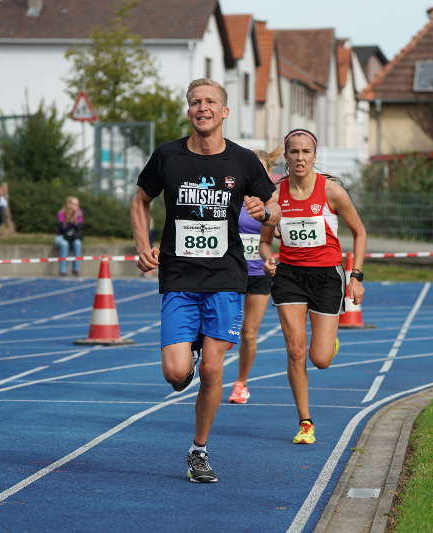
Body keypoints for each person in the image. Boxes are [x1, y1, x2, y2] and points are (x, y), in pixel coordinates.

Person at [130, 78, 279, 483]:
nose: (203, 107)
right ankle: (187, 358)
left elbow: (275, 206)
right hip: (179, 275)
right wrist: (143, 245)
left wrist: (263, 213)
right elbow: (141, 198)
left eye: (211, 101)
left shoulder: (243, 161)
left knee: (214, 371)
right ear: (189, 110)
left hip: (226, 278)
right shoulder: (168, 156)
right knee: (177, 374)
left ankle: (199, 450)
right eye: (195, 101)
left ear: (224, 111)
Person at [259, 128, 367, 445]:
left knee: (320, 358)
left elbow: (359, 232)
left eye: (306, 152)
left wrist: (357, 276)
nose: (300, 158)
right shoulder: (276, 195)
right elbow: (265, 244)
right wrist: (268, 259)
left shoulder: (331, 191)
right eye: (294, 152)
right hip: (289, 275)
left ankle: (328, 342)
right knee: (295, 351)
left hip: (327, 276)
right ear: (286, 156)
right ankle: (305, 422)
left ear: (314, 156)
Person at [228, 146, 283, 404]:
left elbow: (280, 236)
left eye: (258, 169)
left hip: (259, 274)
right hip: (229, 272)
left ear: (268, 172)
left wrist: (273, 256)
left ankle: (241, 383)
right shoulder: (233, 196)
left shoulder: (273, 204)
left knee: (249, 333)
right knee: (222, 333)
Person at [55, 196, 83, 276]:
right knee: (64, 244)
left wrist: (76, 218)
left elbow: (80, 228)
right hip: (61, 236)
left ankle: (76, 269)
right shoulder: (61, 213)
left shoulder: (79, 213)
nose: (76, 206)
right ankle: (62, 270)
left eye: (77, 204)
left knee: (78, 243)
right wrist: (72, 219)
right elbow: (63, 229)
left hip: (73, 237)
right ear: (69, 204)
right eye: (74, 204)